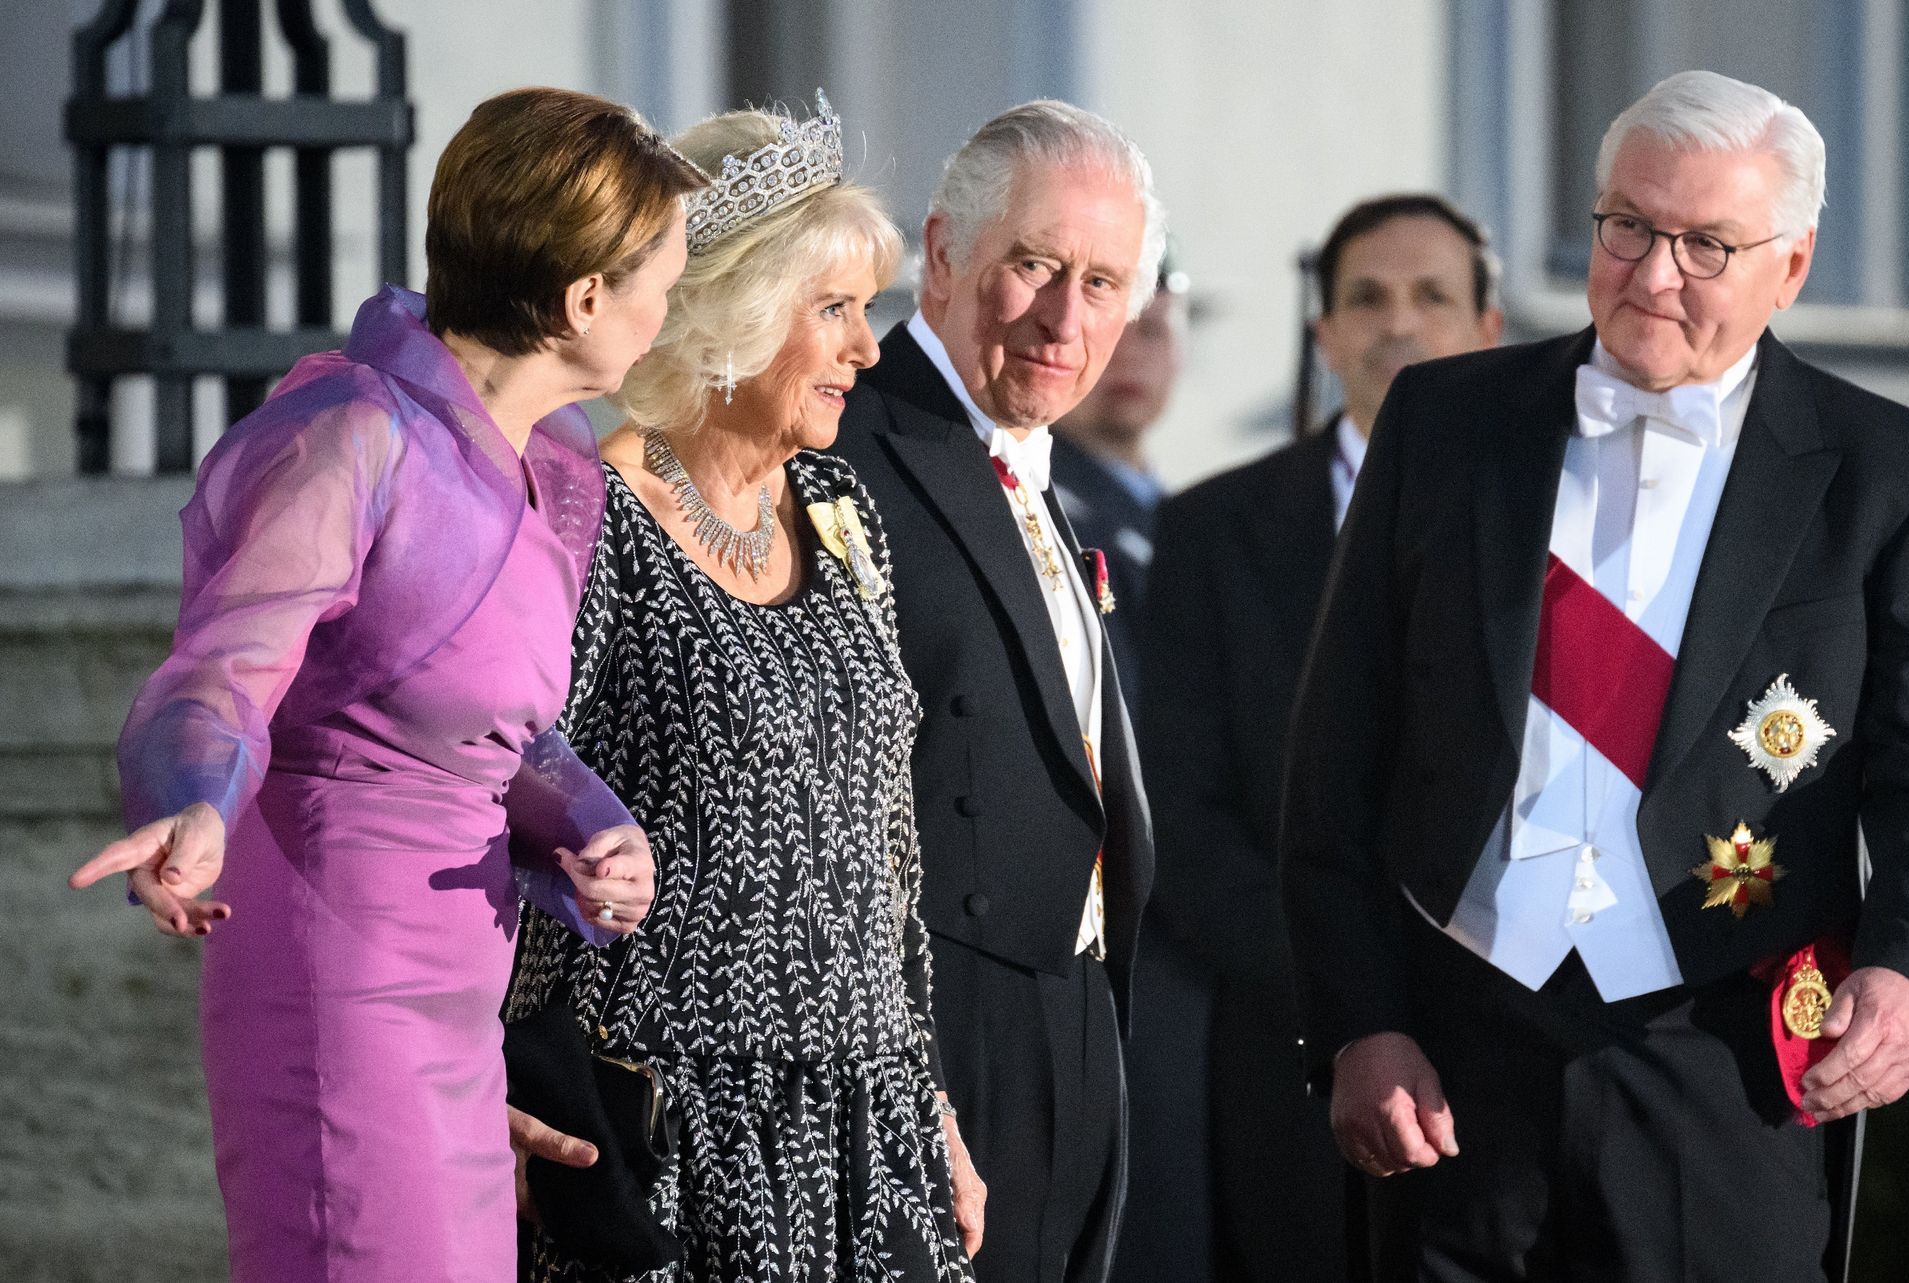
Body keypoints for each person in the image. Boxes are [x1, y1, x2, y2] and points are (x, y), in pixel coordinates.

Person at [1282, 70, 1909, 1282]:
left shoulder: (1893, 473)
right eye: (1626, 224)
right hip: (1455, 1054)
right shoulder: (1442, 423)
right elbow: (1335, 754)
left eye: (1705, 244)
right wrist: (1358, 1019)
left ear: (1790, 265)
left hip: (1719, 1059)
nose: (1651, 272)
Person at [66, 86, 692, 1281]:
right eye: (662, 280)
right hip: (336, 968)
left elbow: (498, 729)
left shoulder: (558, 463)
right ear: (584, 299)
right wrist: (193, 800)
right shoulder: (354, 433)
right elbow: (224, 663)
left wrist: (595, 824)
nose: (669, 312)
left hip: (462, 983)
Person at [503, 99, 977, 1283]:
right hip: (664, 1126)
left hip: (864, 1127)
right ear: (731, 314)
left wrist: (927, 1098)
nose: (869, 348)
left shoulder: (840, 510)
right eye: (834, 309)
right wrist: (478, 1078)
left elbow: (888, 852)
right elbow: (491, 794)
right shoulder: (589, 519)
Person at [1129, 194, 1500, 1282]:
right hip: (1287, 1052)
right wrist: (1353, 998)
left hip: (1504, 1050)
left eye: (1431, 296)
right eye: (1368, 298)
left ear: (1487, 329)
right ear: (1322, 332)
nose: (1399, 322)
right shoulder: (1209, 530)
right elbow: (1181, 815)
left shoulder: (1560, 529)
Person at [829, 100, 1162, 1283]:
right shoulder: (847, 448)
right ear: (939, 252)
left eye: (1102, 283)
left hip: (1073, 1025)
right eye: (1032, 265)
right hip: (931, 1037)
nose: (1065, 319)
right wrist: (901, 1077)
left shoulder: (1032, 457)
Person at [1050, 250, 1190, 695]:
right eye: (1104, 328)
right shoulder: (1041, 505)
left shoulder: (1174, 511)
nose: (1125, 354)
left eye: (1151, 331)